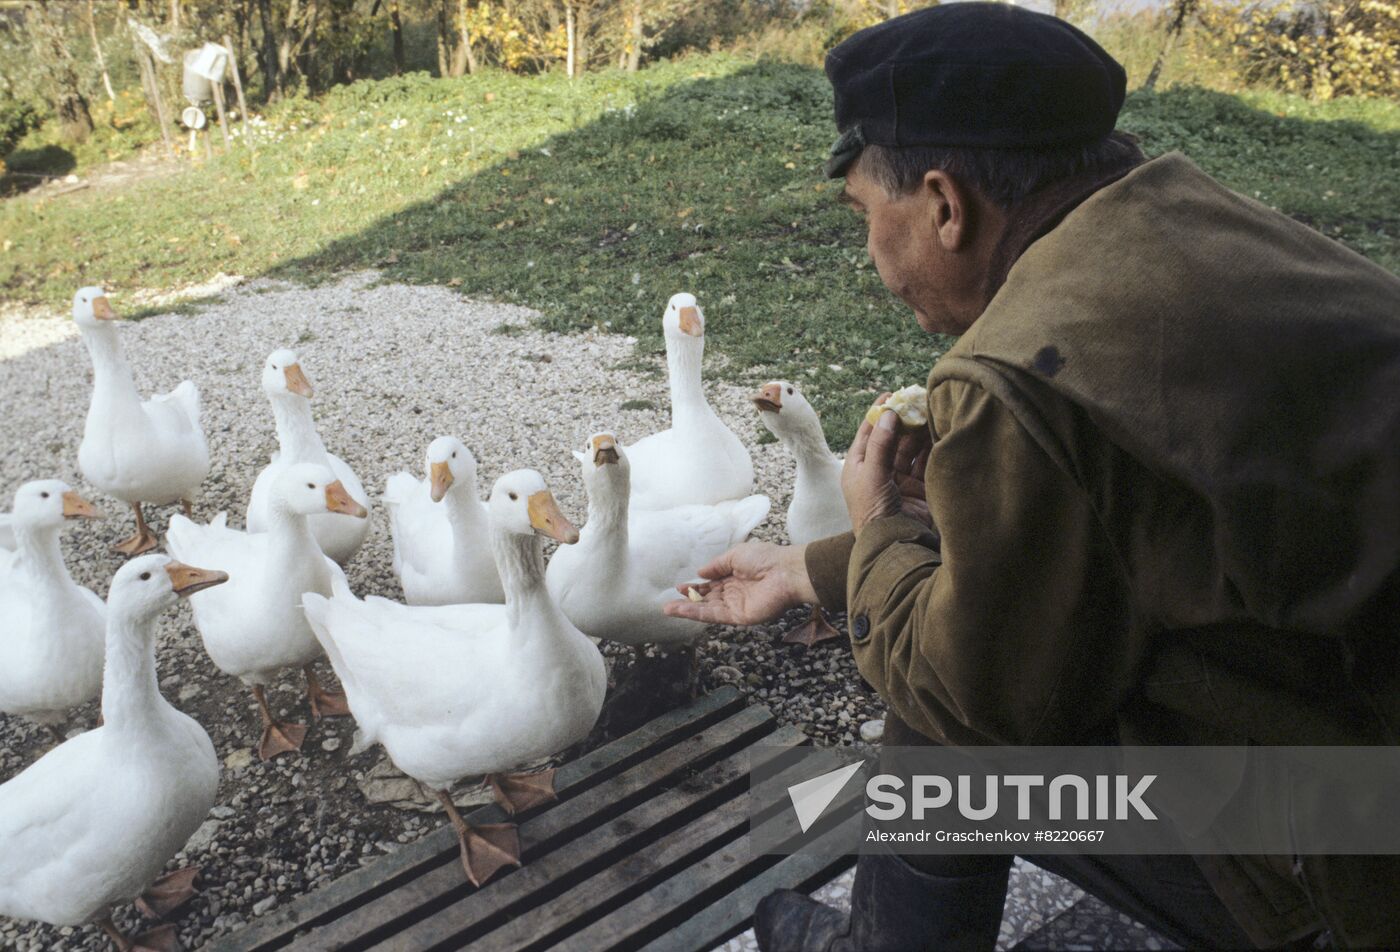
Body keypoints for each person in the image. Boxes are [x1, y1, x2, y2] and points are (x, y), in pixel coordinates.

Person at [664, 4, 1400, 950]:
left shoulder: (1020, 372)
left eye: (866, 216)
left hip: (1357, 863)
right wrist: (819, 567)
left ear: (943, 203)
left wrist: (885, 524)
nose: (873, 257)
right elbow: (1135, 544)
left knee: (942, 737)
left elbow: (988, 695)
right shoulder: (1206, 229)